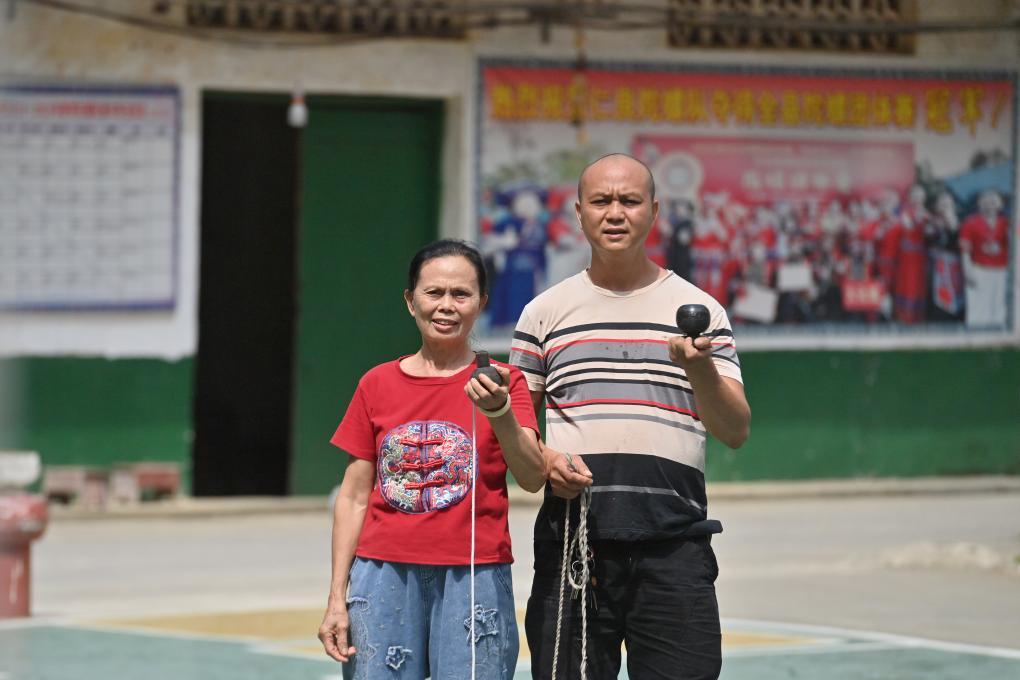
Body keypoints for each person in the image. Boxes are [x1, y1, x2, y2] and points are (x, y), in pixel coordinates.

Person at [510, 154, 751, 680]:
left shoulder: (700, 311)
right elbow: (519, 440)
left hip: (675, 546)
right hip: (573, 546)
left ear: (654, 211)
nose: (615, 213)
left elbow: (734, 430)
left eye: (630, 201)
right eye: (601, 201)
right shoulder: (543, 314)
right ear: (579, 213)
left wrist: (699, 368)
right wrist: (547, 461)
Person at [318, 239, 545, 679]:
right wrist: (335, 598)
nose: (446, 306)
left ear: (481, 303)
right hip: (382, 575)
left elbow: (533, 476)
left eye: (461, 294)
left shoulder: (505, 382)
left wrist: (499, 412)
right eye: (434, 293)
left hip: (474, 575)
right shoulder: (376, 384)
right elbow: (354, 497)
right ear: (410, 301)